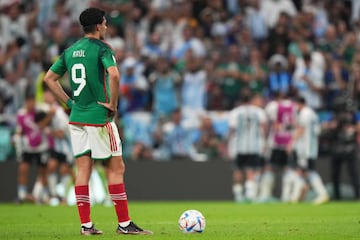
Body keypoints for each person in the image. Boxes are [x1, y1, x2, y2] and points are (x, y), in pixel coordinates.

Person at [44, 8, 152, 235]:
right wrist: (112, 105)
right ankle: (124, 224)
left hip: (76, 119)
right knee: (116, 168)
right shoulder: (103, 48)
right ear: (98, 25)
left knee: (83, 169)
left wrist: (69, 104)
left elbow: (49, 78)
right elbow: (114, 75)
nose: (106, 26)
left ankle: (86, 226)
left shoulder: (71, 51)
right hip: (98, 117)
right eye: (104, 23)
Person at [289, 96, 329, 204]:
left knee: (308, 171)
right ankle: (295, 198)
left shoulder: (304, 113)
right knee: (302, 171)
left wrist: (291, 143)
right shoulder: (312, 113)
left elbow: (301, 129)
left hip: (305, 148)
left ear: (299, 103)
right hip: (311, 146)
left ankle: (323, 194)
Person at [228, 93, 267, 202]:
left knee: (238, 170)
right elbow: (264, 128)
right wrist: (264, 143)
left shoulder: (235, 112)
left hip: (239, 146)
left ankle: (238, 195)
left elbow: (231, 130)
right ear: (250, 100)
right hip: (254, 146)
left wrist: (227, 144)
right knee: (251, 170)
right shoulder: (259, 112)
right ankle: (250, 195)